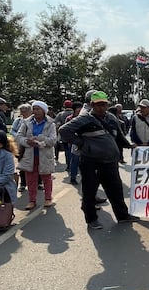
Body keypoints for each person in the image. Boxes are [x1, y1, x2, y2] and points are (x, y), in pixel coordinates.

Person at [59, 91, 138, 229]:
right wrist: (82, 143)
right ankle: (91, 220)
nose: (102, 107)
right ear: (92, 105)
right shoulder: (84, 119)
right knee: (89, 192)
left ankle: (123, 216)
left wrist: (128, 145)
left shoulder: (111, 118)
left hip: (110, 161)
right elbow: (64, 131)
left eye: (104, 104)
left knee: (116, 190)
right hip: (91, 162)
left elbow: (118, 135)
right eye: (98, 105)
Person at [16, 100, 57, 210]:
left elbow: (53, 140)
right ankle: (32, 200)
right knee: (30, 178)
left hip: (44, 155)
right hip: (30, 155)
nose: (35, 111)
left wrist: (41, 139)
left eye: (38, 109)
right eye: (34, 109)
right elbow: (19, 137)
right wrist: (27, 141)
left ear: (44, 111)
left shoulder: (51, 124)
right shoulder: (26, 123)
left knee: (46, 177)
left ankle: (48, 198)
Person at [10, 103, 32, 192]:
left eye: (25, 111)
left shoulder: (34, 120)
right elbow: (12, 130)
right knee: (22, 165)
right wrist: (19, 137)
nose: (23, 113)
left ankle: (38, 182)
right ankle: (23, 184)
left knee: (36, 165)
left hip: (32, 145)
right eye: (21, 111)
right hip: (21, 146)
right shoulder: (18, 120)